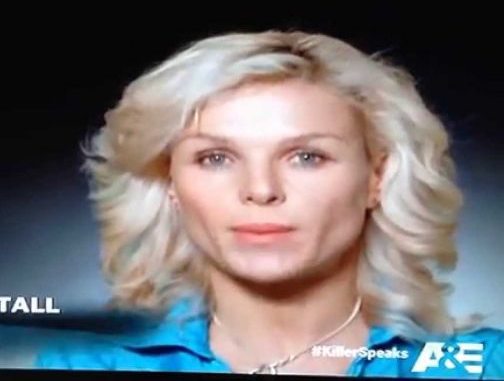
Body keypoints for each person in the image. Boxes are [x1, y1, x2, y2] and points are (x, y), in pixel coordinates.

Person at [34, 30, 504, 378]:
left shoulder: (485, 366)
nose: (260, 190)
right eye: (215, 158)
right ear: (168, 181)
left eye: (307, 157)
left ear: (376, 179)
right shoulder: (84, 364)